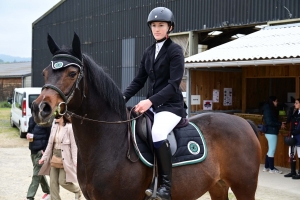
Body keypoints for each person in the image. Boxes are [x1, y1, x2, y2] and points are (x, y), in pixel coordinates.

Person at [123, 7, 186, 200]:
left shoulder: (175, 51)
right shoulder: (149, 52)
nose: (157, 29)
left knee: (158, 132)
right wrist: (120, 98)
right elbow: (139, 80)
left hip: (171, 107)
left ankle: (166, 186)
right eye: (154, 25)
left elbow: (174, 84)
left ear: (170, 27)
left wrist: (149, 101)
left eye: (161, 25)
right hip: (153, 106)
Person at [38, 116, 83, 200]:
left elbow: (74, 146)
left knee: (62, 181)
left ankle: (77, 190)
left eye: (57, 116)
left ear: (63, 116)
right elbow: (50, 144)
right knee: (53, 182)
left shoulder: (69, 127)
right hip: (54, 156)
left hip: (65, 158)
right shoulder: (54, 126)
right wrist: (44, 158)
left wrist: (75, 160)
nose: (55, 118)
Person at [26, 115, 51, 200]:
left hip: (41, 152)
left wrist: (45, 150)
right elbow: (29, 132)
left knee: (36, 175)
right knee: (39, 173)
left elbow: (49, 137)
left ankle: (30, 197)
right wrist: (28, 135)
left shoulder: (46, 120)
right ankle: (48, 191)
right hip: (32, 151)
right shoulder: (31, 119)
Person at [262, 96, 285, 174]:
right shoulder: (269, 110)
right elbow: (269, 122)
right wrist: (279, 124)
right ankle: (272, 169)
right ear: (272, 101)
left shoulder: (267, 109)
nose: (277, 103)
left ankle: (266, 167)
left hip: (269, 132)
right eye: (276, 101)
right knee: (272, 150)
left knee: (270, 150)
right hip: (271, 131)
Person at [284, 98, 300, 179]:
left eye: (296, 103)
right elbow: (290, 120)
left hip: (299, 136)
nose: (295, 104)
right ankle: (292, 171)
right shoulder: (295, 112)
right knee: (291, 153)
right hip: (294, 135)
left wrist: (294, 132)